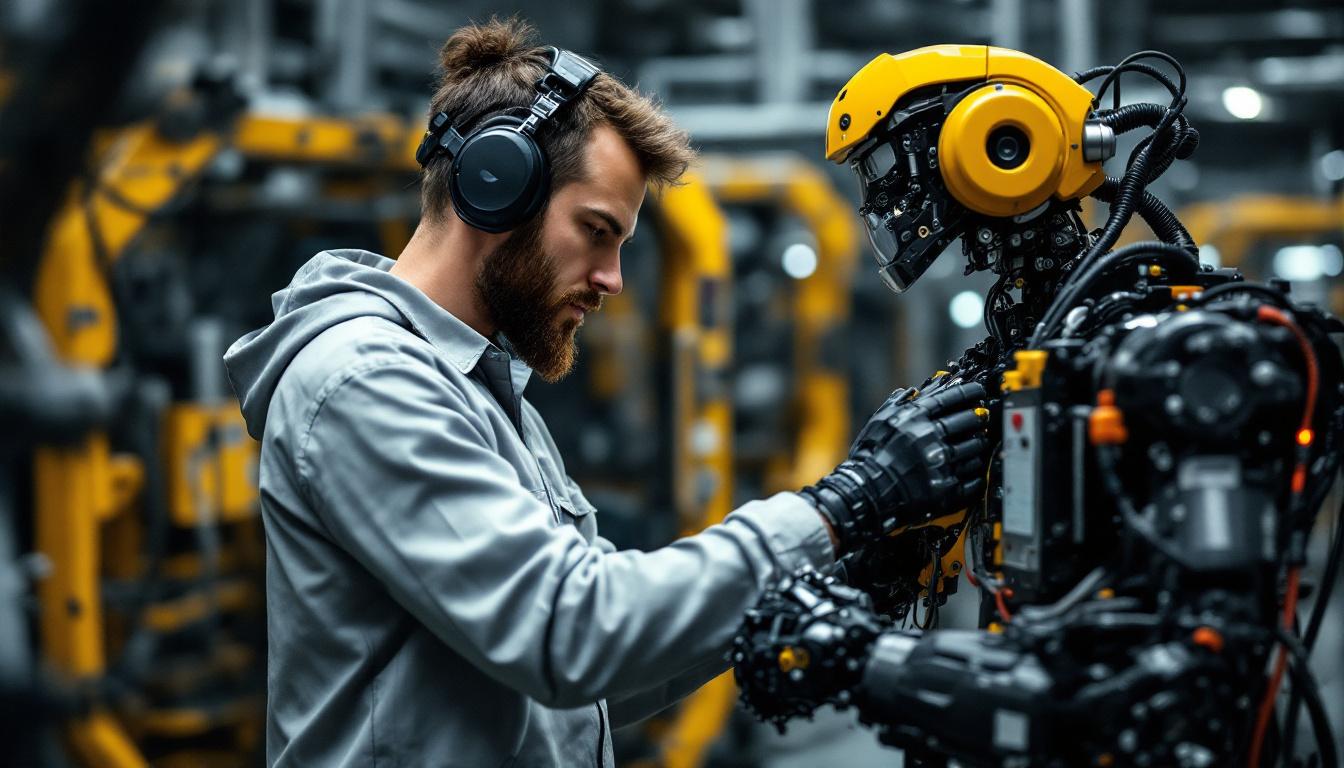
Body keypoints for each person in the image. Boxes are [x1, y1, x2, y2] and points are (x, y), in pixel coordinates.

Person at [224, 18, 989, 767]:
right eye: (595, 231)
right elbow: (572, 633)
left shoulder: (489, 399)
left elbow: (581, 688)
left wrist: (827, 573)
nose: (612, 280)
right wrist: (841, 506)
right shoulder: (366, 381)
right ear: (494, 187)